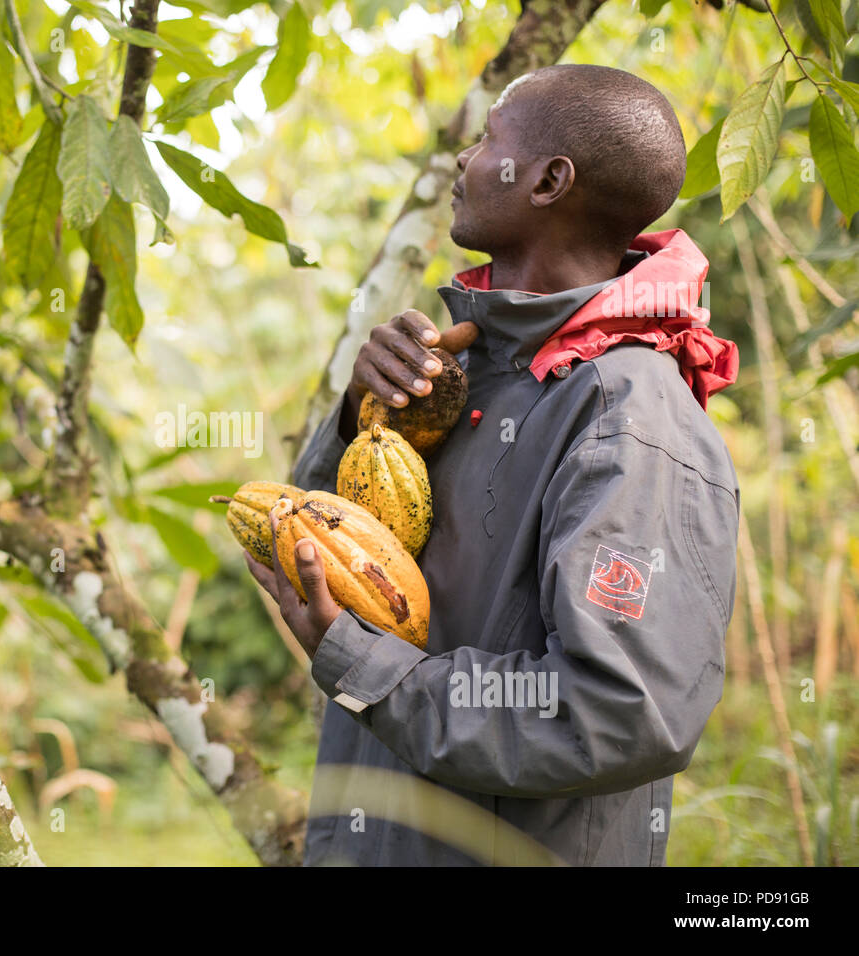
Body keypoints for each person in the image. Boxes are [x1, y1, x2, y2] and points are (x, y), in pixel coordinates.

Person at [246, 64, 741, 866]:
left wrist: (367, 668)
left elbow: (614, 713)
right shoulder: (468, 370)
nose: (463, 159)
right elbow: (336, 542)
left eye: (487, 140)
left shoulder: (630, 420)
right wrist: (359, 417)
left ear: (547, 180)